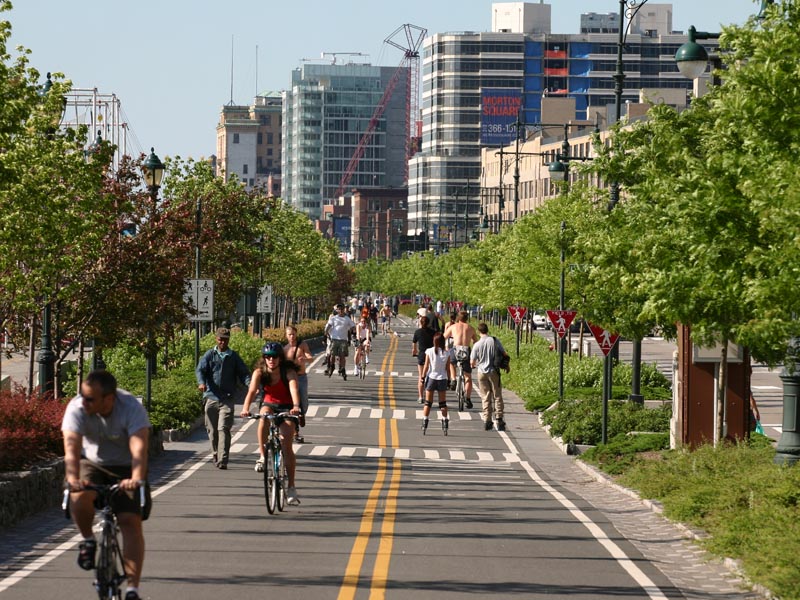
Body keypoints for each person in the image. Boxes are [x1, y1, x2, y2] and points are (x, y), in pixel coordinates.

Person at [61, 370, 151, 600]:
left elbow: (139, 449)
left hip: (125, 467)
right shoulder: (77, 409)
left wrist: (136, 478)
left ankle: (132, 589)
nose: (84, 402)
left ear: (109, 399)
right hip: (92, 463)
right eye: (82, 396)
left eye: (90, 398)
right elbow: (71, 450)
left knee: (130, 522)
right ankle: (88, 540)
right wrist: (73, 480)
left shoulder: (130, 408)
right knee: (79, 497)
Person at [241, 342, 302, 505]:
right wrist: (245, 408)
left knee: (286, 443)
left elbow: (294, 390)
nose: (271, 360)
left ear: (280, 358)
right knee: (263, 417)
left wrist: (296, 407)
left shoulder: (288, 372)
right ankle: (262, 455)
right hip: (269, 404)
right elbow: (252, 391)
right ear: (264, 359)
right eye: (268, 357)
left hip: (287, 407)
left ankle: (291, 487)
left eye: (274, 357)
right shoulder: (259, 372)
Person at [195, 327, 251, 469]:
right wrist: (201, 383)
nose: (222, 342)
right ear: (216, 339)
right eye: (220, 339)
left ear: (228, 340)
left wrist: (250, 384)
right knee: (212, 430)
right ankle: (215, 453)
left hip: (227, 398)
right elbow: (200, 370)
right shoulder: (209, 355)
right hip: (211, 397)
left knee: (223, 428)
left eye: (225, 339)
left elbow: (243, 373)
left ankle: (223, 459)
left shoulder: (233, 357)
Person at [470, 323, 510, 431]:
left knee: (485, 396)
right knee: (497, 395)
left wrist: (474, 365)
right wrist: (507, 366)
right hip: (494, 371)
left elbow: (472, 362)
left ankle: (487, 420)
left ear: (479, 332)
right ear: (487, 330)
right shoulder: (494, 341)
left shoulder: (477, 345)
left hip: (482, 372)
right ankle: (499, 419)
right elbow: (504, 353)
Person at [445, 310, 480, 409]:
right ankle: (467, 398)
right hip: (466, 351)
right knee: (468, 377)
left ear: (458, 318)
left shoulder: (453, 327)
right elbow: (476, 342)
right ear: (467, 319)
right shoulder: (471, 328)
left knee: (451, 362)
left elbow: (444, 336)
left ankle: (452, 379)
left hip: (456, 349)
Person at [420, 332, 453, 434]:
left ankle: (425, 421)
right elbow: (448, 368)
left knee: (428, 403)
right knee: (442, 403)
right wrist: (449, 380)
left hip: (431, 378)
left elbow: (426, 366)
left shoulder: (429, 351)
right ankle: (444, 421)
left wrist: (422, 376)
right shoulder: (446, 353)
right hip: (442, 378)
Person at [284, 325, 312, 443]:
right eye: (289, 334)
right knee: (292, 404)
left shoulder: (302, 345)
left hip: (301, 377)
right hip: (289, 379)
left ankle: (302, 414)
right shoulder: (284, 349)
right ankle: (296, 431)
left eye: (293, 334)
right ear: (286, 335)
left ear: (296, 334)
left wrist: (304, 360)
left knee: (304, 401)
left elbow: (310, 357)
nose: (292, 336)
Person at [325, 303, 356, 379]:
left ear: (344, 310)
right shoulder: (334, 318)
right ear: (337, 310)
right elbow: (328, 326)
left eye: (342, 309)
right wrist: (325, 333)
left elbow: (353, 326)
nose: (341, 311)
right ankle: (332, 366)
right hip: (334, 339)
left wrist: (353, 332)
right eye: (339, 309)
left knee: (342, 356)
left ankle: (343, 368)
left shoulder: (347, 318)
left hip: (343, 339)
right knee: (332, 355)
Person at [412, 315, 435, 404]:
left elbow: (414, 345)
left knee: (421, 376)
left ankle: (421, 397)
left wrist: (414, 352)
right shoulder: (433, 332)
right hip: (431, 356)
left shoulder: (417, 332)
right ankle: (429, 396)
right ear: (428, 323)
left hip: (422, 356)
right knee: (430, 376)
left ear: (420, 323)